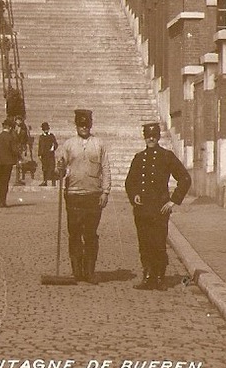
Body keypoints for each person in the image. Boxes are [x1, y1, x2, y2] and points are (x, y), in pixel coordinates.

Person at [125, 122, 191, 291]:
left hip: (160, 209)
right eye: (148, 136)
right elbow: (129, 182)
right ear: (144, 137)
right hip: (142, 210)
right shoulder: (139, 158)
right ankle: (148, 276)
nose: (151, 139)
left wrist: (173, 201)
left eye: (154, 136)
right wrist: (134, 195)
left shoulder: (167, 156)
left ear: (159, 137)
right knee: (145, 243)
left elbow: (185, 178)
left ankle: (160, 276)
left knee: (159, 242)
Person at [55, 109, 111, 284]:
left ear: (91, 125)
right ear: (76, 125)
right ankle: (77, 270)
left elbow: (106, 168)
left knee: (90, 234)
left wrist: (105, 191)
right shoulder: (68, 145)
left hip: (93, 195)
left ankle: (89, 271)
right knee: (74, 233)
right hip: (73, 195)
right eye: (81, 125)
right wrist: (60, 167)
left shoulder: (99, 144)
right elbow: (59, 170)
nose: (84, 128)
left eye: (86, 124)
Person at [0, 118, 20, 207]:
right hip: (8, 162)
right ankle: (3, 201)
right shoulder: (11, 137)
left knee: (0, 181)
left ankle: (1, 200)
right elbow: (14, 150)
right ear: (10, 127)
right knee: (5, 181)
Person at [11, 115, 33, 184]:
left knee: (19, 163)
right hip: (14, 147)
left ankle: (18, 179)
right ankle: (17, 179)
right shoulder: (12, 129)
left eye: (20, 120)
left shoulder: (23, 129)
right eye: (17, 120)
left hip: (20, 147)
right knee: (16, 163)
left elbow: (26, 139)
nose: (19, 122)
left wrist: (25, 148)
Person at [37, 122, 58, 186]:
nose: (46, 130)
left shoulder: (51, 136)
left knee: (52, 168)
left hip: (50, 154)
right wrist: (39, 154)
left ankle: (53, 182)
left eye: (47, 129)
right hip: (44, 155)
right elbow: (40, 146)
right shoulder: (41, 137)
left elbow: (56, 144)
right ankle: (44, 181)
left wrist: (53, 148)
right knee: (44, 168)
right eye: (44, 129)